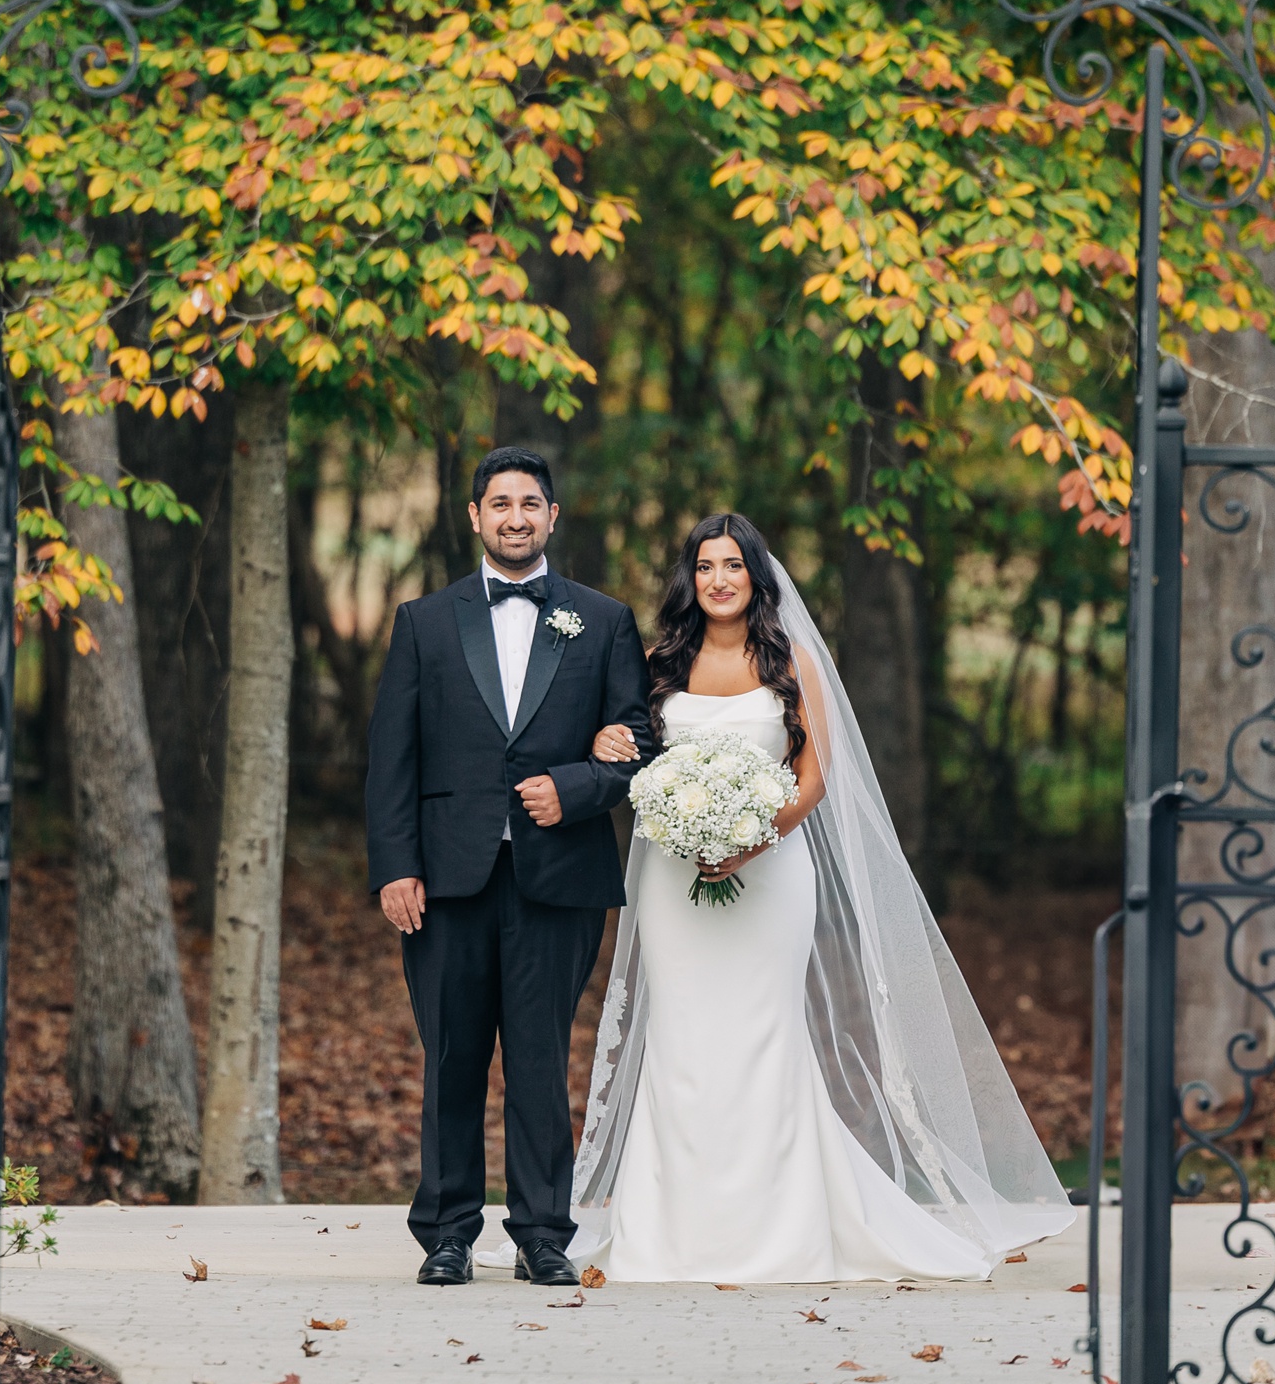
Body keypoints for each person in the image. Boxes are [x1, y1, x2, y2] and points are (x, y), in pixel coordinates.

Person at [553, 511, 1072, 1282]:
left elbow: (815, 773)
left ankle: (779, 1231)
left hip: (770, 873)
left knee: (763, 1036)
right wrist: (608, 748)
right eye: (704, 567)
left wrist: (750, 841)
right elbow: (625, 745)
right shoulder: (660, 661)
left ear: (756, 577)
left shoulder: (792, 660)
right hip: (673, 877)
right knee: (682, 1041)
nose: (718, 579)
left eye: (732, 565)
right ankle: (669, 1235)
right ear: (688, 580)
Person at [362, 446, 651, 1288]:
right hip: (445, 881)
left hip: (557, 880)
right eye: (500, 505)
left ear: (553, 518)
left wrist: (575, 786)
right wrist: (394, 868)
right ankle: (448, 1233)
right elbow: (393, 761)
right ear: (476, 517)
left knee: (538, 1058)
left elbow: (637, 749)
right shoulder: (423, 621)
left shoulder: (603, 621)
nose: (516, 518)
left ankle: (542, 1234)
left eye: (531, 504)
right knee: (451, 1056)